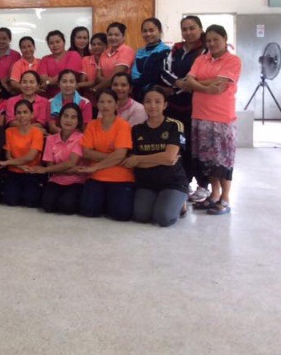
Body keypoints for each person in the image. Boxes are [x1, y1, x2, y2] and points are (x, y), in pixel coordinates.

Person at [184, 24, 242, 216]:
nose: (212, 43)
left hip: (221, 118)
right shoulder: (201, 59)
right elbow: (188, 80)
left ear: (225, 39)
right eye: (208, 40)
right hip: (199, 116)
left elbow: (221, 82)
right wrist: (207, 87)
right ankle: (214, 195)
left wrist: (196, 84)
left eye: (216, 39)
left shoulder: (233, 60)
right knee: (207, 160)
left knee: (223, 161)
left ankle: (225, 199)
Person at [124, 87, 189, 227]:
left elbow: (169, 157)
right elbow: (131, 162)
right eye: (148, 101)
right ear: (143, 104)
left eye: (157, 102)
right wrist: (162, 159)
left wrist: (140, 159)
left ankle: (181, 202)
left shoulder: (175, 125)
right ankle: (163, 201)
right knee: (141, 216)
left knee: (163, 218)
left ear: (165, 105)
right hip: (146, 183)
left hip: (173, 181)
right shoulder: (136, 129)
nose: (152, 105)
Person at [161, 15, 208, 202]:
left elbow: (201, 75)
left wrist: (179, 87)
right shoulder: (176, 49)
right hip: (175, 107)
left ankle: (203, 185)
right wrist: (180, 84)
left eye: (192, 28)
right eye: (185, 29)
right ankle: (185, 181)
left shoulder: (206, 50)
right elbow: (165, 72)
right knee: (181, 145)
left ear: (200, 29)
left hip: (198, 106)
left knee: (199, 145)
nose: (188, 32)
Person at [77, 89, 135, 221]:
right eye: (102, 102)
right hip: (96, 176)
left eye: (109, 102)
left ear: (116, 105)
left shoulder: (123, 125)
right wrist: (115, 158)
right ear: (97, 104)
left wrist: (97, 166)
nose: (105, 105)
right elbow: (87, 152)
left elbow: (120, 154)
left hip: (120, 176)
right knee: (88, 210)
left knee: (121, 215)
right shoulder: (92, 125)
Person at [0, 99, 44, 207]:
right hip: (14, 171)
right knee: (10, 200)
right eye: (19, 112)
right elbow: (8, 156)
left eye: (25, 112)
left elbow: (30, 157)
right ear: (15, 115)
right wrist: (20, 166)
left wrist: (8, 163)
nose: (22, 115)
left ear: (32, 114)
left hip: (31, 171)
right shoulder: (9, 132)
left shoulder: (37, 133)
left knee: (30, 201)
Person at [41, 103, 86, 215]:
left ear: (78, 121)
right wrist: (73, 170)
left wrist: (46, 170)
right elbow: (50, 167)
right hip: (56, 180)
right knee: (47, 206)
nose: (68, 120)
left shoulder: (82, 138)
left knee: (66, 206)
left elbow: (71, 163)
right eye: (65, 116)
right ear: (60, 118)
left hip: (76, 181)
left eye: (73, 117)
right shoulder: (51, 139)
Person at [131, 17, 171, 101]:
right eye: (145, 31)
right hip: (138, 96)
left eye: (151, 30)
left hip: (157, 97)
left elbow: (155, 76)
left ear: (159, 31)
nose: (148, 34)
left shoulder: (166, 51)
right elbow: (134, 75)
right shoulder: (139, 52)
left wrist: (145, 84)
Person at [37, 30, 83, 98]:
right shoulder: (45, 59)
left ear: (64, 42)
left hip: (71, 96)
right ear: (48, 45)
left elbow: (67, 75)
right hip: (50, 98)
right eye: (51, 43)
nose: (55, 45)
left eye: (58, 42)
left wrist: (48, 82)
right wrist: (50, 81)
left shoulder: (73, 55)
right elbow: (43, 78)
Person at [94, 22, 135, 92]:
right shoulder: (104, 53)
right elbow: (98, 77)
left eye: (116, 35)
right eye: (110, 35)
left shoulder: (127, 50)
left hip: (121, 91)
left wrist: (95, 89)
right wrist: (111, 82)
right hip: (105, 92)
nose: (113, 38)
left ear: (123, 37)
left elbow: (116, 75)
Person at [77, 32, 107, 106]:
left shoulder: (109, 60)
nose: (96, 47)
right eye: (93, 44)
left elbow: (107, 81)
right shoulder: (86, 59)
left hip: (106, 100)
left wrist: (81, 84)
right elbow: (82, 81)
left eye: (99, 44)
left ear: (106, 45)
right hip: (89, 100)